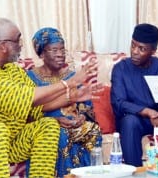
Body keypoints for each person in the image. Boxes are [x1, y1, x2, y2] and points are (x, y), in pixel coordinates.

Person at [0, 18, 97, 177]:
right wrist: (69, 83)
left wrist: (71, 97)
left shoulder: (12, 70)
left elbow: (36, 103)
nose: (21, 44)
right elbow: (27, 96)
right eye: (17, 40)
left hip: (10, 142)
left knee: (48, 125)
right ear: (3, 46)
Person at [27, 27, 102, 177]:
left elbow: (86, 106)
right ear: (41, 53)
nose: (60, 54)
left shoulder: (72, 76)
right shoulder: (30, 78)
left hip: (74, 125)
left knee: (93, 129)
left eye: (62, 49)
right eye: (54, 50)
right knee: (60, 134)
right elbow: (26, 112)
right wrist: (55, 120)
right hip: (47, 126)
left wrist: (82, 116)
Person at [110, 23, 158, 167]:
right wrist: (147, 112)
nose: (135, 51)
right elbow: (118, 102)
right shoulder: (121, 69)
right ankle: (134, 172)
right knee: (130, 122)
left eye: (142, 49)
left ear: (153, 51)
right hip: (135, 120)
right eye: (133, 45)